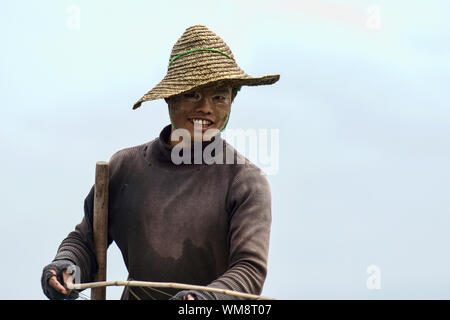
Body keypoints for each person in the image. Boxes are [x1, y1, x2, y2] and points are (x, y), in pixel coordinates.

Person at [41, 24, 280, 300]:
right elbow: (85, 241)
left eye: (219, 97)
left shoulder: (245, 180)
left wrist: (203, 301)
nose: (207, 108)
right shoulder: (124, 168)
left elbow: (248, 271)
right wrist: (65, 268)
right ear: (170, 97)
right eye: (193, 93)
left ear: (232, 100)